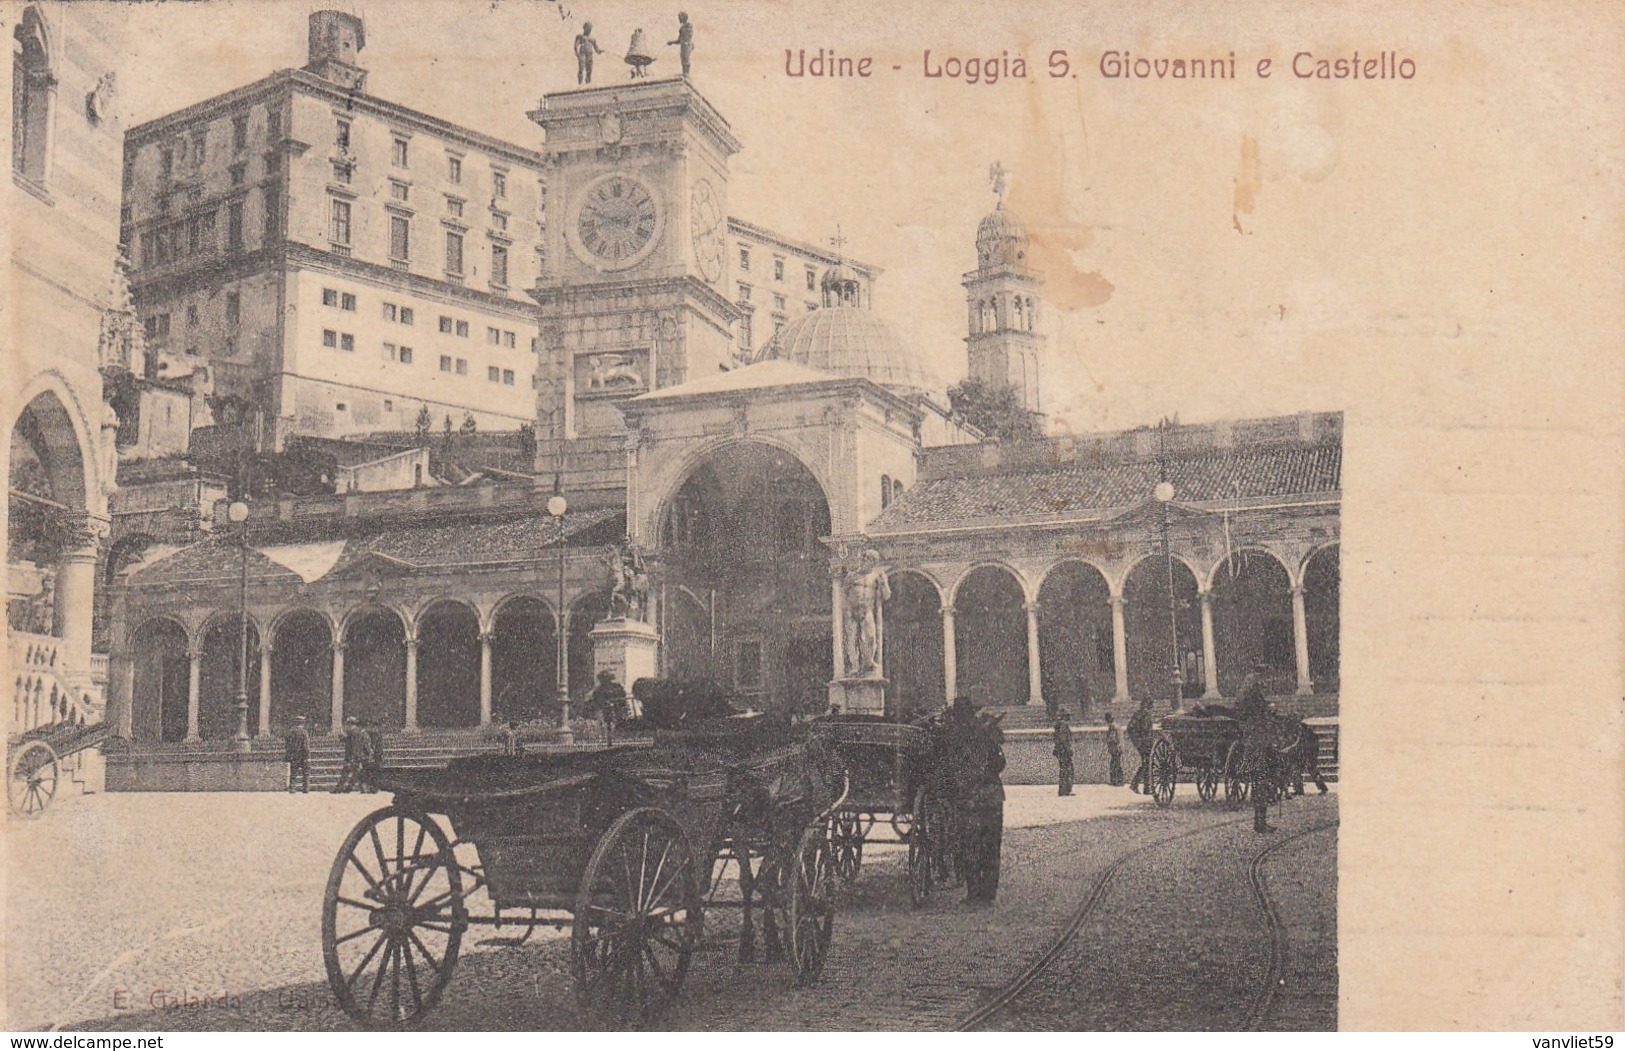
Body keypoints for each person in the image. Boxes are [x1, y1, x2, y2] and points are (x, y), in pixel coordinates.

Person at [943, 696, 1005, 905]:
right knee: (990, 847)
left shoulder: (955, 736)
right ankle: (987, 894)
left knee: (969, 847)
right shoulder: (986, 732)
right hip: (990, 796)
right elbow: (1000, 762)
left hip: (968, 798)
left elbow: (951, 769)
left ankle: (974, 893)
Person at [1236, 665, 1278, 833]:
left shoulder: (1245, 695)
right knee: (1261, 783)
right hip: (1259, 744)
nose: (1265, 682)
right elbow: (1262, 713)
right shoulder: (1255, 696)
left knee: (1259, 784)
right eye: (1263, 678)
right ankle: (1260, 823)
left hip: (1252, 742)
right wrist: (1269, 709)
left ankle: (1260, 821)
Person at [333, 716, 372, 793]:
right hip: (356, 756)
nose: (346, 727)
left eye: (347, 724)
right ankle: (348, 788)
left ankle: (341, 789)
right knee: (355, 773)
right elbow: (347, 740)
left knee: (348, 772)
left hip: (353, 756)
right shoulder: (355, 732)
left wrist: (352, 758)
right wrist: (340, 736)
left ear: (350, 724)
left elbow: (355, 746)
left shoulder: (354, 733)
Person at [588, 670, 628, 740]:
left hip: (615, 708)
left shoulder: (616, 687)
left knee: (613, 719)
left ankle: (610, 734)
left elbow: (622, 697)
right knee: (602, 720)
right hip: (604, 709)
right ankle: (605, 735)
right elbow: (596, 700)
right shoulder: (599, 690)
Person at [1126, 697, 1155, 794]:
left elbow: (1130, 728)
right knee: (1147, 763)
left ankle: (1146, 788)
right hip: (1144, 742)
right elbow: (1143, 728)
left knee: (1147, 763)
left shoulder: (1139, 714)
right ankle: (1135, 784)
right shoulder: (1144, 715)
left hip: (1143, 742)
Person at [284, 715, 310, 793]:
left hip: (293, 756)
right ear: (303, 723)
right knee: (305, 773)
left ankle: (292, 788)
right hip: (302, 756)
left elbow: (287, 745)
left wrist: (288, 755)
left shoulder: (290, 732)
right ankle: (305, 788)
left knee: (293, 773)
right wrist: (307, 757)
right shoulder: (304, 732)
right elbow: (306, 746)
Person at [1052, 712, 1074, 796]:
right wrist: (1069, 749)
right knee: (1067, 770)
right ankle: (1066, 790)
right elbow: (1063, 739)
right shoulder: (1064, 725)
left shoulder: (1058, 725)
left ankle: (1063, 790)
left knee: (1063, 770)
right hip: (1064, 751)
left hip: (1060, 751)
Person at [668, 12, 694, 77]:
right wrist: (671, 42)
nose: (679, 19)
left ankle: (686, 73)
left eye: (680, 17)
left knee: (685, 59)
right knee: (684, 59)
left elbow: (687, 37)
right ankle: (685, 73)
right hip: (684, 45)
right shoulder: (683, 27)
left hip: (686, 45)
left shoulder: (687, 26)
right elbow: (679, 40)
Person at [1104, 711, 1125, 787]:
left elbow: (1112, 738)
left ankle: (1116, 781)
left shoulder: (1112, 727)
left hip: (1115, 748)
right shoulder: (1117, 725)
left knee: (1114, 765)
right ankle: (1119, 780)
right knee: (1117, 764)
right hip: (1119, 748)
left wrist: (1108, 742)